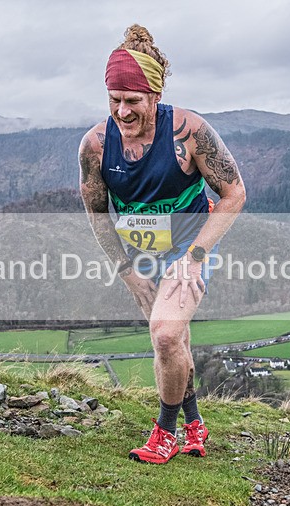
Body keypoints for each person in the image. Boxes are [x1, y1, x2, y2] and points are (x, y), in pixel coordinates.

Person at [78, 24, 245, 464]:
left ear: (154, 94)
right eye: (113, 99)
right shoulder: (95, 146)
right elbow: (97, 214)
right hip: (141, 255)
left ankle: (164, 433)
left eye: (132, 101)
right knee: (174, 342)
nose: (122, 111)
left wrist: (194, 259)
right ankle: (194, 425)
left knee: (166, 334)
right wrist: (127, 272)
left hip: (190, 245)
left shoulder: (189, 132)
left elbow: (235, 193)